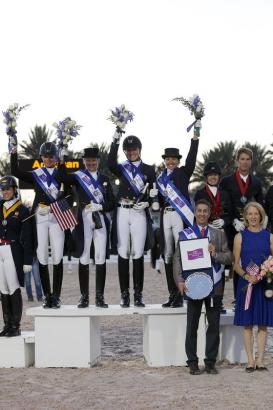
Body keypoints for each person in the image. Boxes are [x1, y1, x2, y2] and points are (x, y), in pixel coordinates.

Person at [173, 199, 232, 374]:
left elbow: (229, 257)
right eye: (199, 211)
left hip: (214, 285)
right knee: (192, 324)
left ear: (209, 213)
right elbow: (177, 260)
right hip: (193, 286)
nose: (202, 214)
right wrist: (180, 281)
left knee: (213, 324)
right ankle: (192, 362)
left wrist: (216, 254)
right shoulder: (185, 234)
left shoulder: (219, 234)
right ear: (195, 212)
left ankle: (210, 362)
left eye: (205, 211)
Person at [10, 142, 69, 308]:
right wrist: (13, 153)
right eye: (45, 156)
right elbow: (15, 171)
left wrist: (65, 158)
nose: (48, 159)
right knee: (42, 255)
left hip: (57, 216)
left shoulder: (61, 172)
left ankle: (56, 296)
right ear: (41, 157)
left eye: (51, 156)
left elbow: (70, 193)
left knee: (57, 256)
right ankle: (47, 295)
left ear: (56, 157)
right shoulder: (36, 174)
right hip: (40, 217)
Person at [58, 147, 115, 308]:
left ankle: (100, 297)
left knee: (100, 257)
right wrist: (62, 161)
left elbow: (111, 202)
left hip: (100, 219)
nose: (91, 163)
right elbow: (62, 177)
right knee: (83, 256)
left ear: (98, 161)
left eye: (93, 160)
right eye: (88, 160)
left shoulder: (104, 179)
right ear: (84, 161)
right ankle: (84, 297)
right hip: (83, 218)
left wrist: (101, 207)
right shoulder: (78, 177)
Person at [108, 131, 156, 307]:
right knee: (122, 252)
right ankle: (124, 295)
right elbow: (109, 162)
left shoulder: (149, 169)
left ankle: (138, 294)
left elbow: (153, 191)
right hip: (122, 210)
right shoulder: (121, 168)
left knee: (137, 253)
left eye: (134, 149)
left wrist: (148, 203)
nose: (131, 152)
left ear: (139, 150)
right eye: (127, 150)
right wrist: (115, 139)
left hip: (138, 212)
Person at [157, 133, 199, 308]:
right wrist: (154, 199)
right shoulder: (159, 179)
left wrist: (195, 139)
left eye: (174, 159)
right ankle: (172, 293)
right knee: (167, 254)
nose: (171, 162)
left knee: (178, 255)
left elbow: (192, 159)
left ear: (178, 161)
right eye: (168, 159)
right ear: (165, 160)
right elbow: (159, 201)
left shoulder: (183, 173)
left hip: (179, 215)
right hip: (165, 215)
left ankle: (181, 293)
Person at [233, 202, 273, 372]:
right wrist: (247, 276)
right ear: (245, 216)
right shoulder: (239, 237)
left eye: (256, 214)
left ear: (261, 216)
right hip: (247, 284)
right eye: (250, 214)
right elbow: (235, 264)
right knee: (248, 324)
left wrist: (267, 273)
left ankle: (261, 360)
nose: (253, 217)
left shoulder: (269, 236)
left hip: (264, 285)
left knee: (263, 324)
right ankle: (250, 360)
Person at [220, 147, 264, 300]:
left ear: (251, 162)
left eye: (248, 159)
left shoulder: (257, 183)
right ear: (237, 160)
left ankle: (250, 296)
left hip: (250, 229)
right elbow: (223, 205)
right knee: (235, 262)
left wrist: (257, 224)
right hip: (232, 230)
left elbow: (260, 206)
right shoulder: (226, 182)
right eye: (242, 159)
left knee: (249, 260)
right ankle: (238, 298)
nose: (245, 162)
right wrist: (233, 220)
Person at [194, 161, 233, 313]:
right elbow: (198, 214)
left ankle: (219, 301)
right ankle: (204, 296)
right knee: (206, 265)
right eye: (210, 175)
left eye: (215, 175)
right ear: (206, 177)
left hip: (222, 234)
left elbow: (231, 215)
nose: (213, 178)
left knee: (220, 268)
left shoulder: (225, 194)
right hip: (206, 233)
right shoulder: (200, 193)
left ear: (219, 177)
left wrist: (225, 221)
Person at [0, 176, 33, 337]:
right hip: (0, 250)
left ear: (14, 190)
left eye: (8, 189)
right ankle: (6, 325)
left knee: (13, 287)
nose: (5, 192)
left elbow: (27, 237)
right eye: (3, 189)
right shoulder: (0, 207)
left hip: (13, 251)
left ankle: (15, 326)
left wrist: (27, 260)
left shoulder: (23, 210)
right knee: (3, 288)